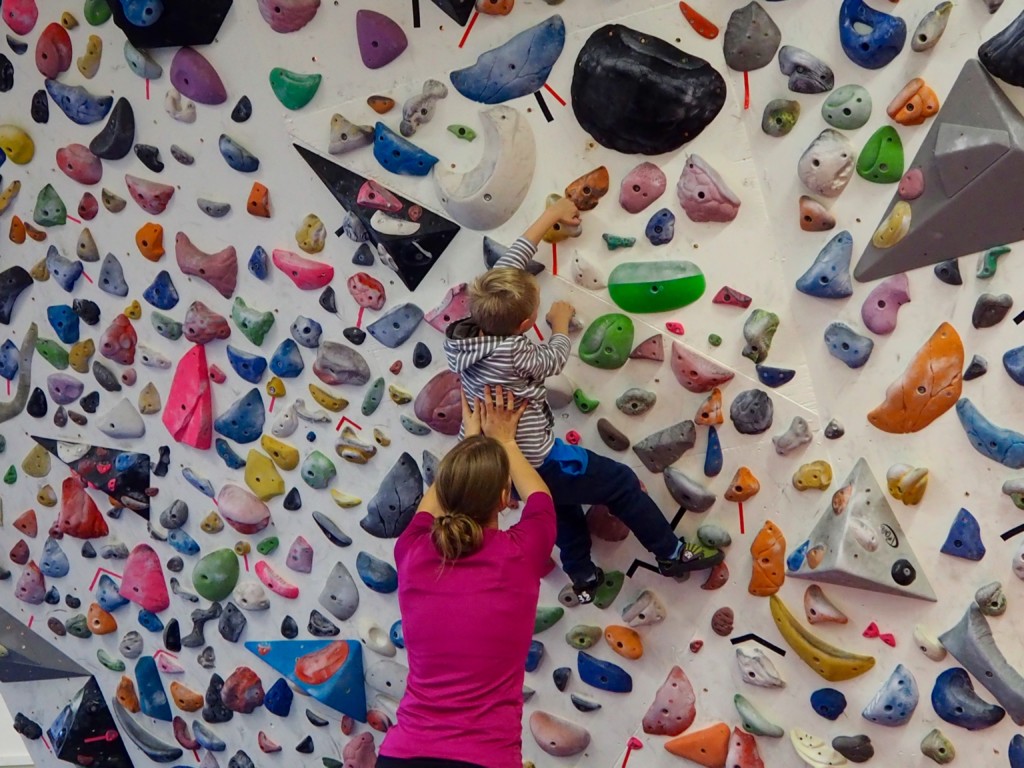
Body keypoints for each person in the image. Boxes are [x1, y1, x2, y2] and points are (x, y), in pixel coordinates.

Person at [444, 198, 723, 603]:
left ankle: (582, 574)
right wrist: (558, 325)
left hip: (502, 466)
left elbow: (509, 265)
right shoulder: (512, 352)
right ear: (524, 325)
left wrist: (550, 215)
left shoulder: (466, 333)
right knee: (621, 484)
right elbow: (553, 360)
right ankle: (670, 553)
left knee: (561, 505)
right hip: (534, 458)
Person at [377, 385, 556, 768]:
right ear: (504, 497)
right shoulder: (520, 554)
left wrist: (468, 442)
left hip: (401, 756)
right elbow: (541, 499)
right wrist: (505, 440)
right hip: (483, 758)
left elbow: (438, 498)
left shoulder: (411, 550)